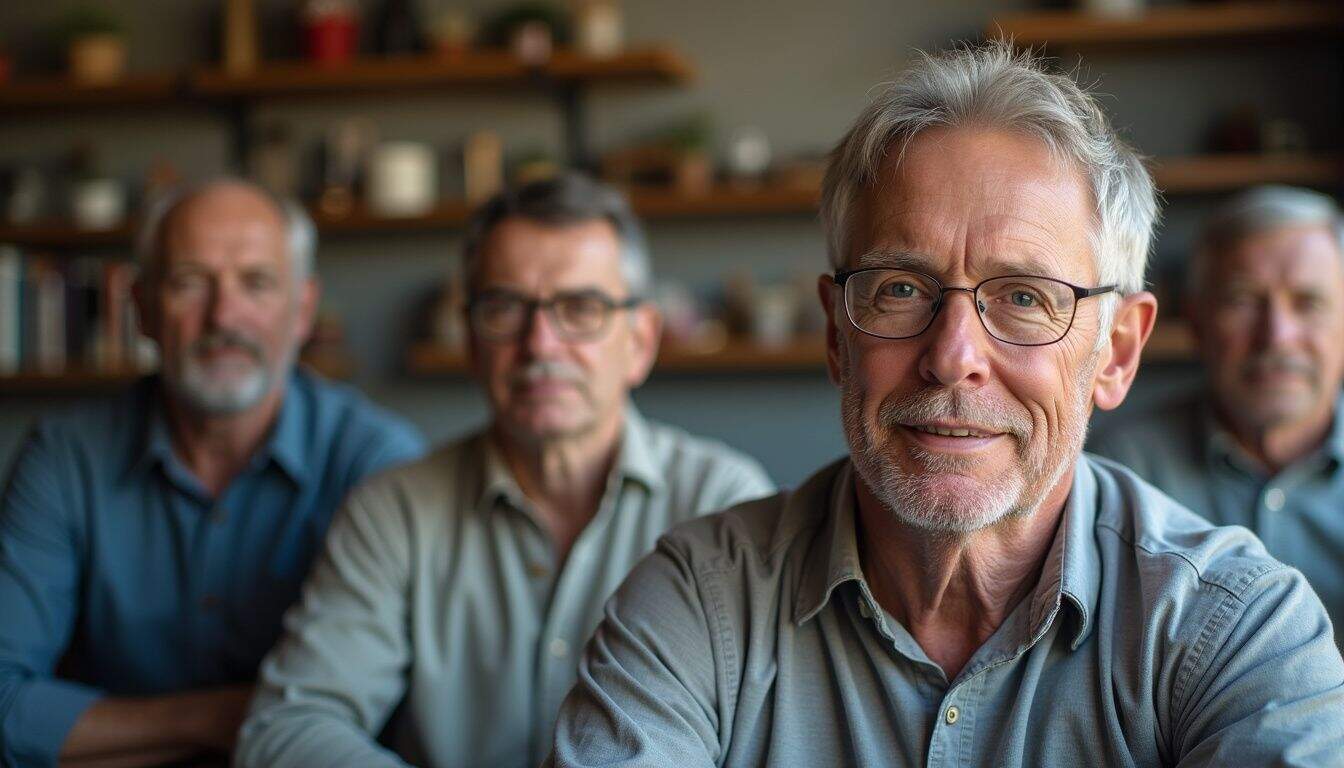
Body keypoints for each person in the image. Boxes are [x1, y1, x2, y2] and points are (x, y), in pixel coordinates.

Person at [546, 44, 1344, 767]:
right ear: (835, 333)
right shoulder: (700, 599)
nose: (953, 356)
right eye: (900, 289)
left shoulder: (1235, 626)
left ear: (1118, 352)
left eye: (1026, 297)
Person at [235, 173, 775, 768]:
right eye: (504, 308)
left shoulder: (725, 504)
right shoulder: (394, 511)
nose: (539, 344)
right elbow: (289, 726)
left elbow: (762, 742)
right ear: (469, 339)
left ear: (640, 340)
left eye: (581, 308)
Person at [0, 179, 424, 768]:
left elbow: (400, 714)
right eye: (189, 282)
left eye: (256, 282)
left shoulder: (377, 462)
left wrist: (109, 731)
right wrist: (222, 716)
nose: (224, 316)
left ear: (302, 310)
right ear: (143, 309)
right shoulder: (64, 459)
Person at [1091, 185, 1344, 645]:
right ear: (1196, 321)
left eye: (1308, 303)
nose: (1277, 336)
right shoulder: (1120, 469)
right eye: (1243, 301)